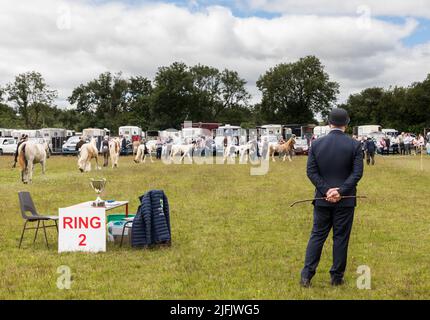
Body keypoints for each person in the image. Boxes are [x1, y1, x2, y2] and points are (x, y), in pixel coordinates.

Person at [300, 108, 363, 288]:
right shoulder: (354, 144)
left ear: (329, 123)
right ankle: (336, 277)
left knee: (317, 236)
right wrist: (339, 191)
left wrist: (326, 190)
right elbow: (357, 173)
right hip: (345, 199)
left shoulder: (317, 144)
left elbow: (311, 172)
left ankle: (306, 275)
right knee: (341, 238)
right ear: (347, 124)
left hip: (322, 198)